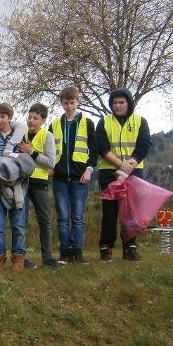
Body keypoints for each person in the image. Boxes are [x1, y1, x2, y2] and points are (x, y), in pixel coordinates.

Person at [96, 88, 152, 261]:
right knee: (109, 212)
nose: (117, 105)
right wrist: (120, 165)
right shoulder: (104, 122)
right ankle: (106, 247)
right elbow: (102, 147)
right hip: (108, 172)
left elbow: (144, 145)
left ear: (129, 103)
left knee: (130, 212)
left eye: (121, 102)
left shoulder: (140, 121)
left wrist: (129, 166)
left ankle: (130, 247)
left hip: (134, 172)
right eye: (114, 103)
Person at [50, 86, 97, 263]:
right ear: (61, 103)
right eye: (66, 103)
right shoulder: (54, 125)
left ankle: (77, 251)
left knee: (77, 217)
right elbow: (49, 149)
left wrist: (89, 169)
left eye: (72, 103)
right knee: (62, 217)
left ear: (78, 102)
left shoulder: (87, 123)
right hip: (60, 178)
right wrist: (50, 165)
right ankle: (64, 251)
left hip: (80, 178)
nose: (69, 106)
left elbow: (94, 150)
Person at [0, 102, 29, 270]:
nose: (0, 120)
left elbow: (27, 161)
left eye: (3, 116)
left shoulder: (20, 136)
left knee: (18, 225)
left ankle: (18, 258)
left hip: (18, 188)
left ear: (9, 118)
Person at [16, 102, 58, 268]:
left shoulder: (47, 136)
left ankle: (47, 257)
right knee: (21, 221)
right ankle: (21, 257)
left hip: (40, 183)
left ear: (43, 120)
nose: (31, 121)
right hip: (22, 182)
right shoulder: (21, 135)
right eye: (29, 117)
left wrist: (31, 151)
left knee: (44, 221)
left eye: (35, 118)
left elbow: (50, 163)